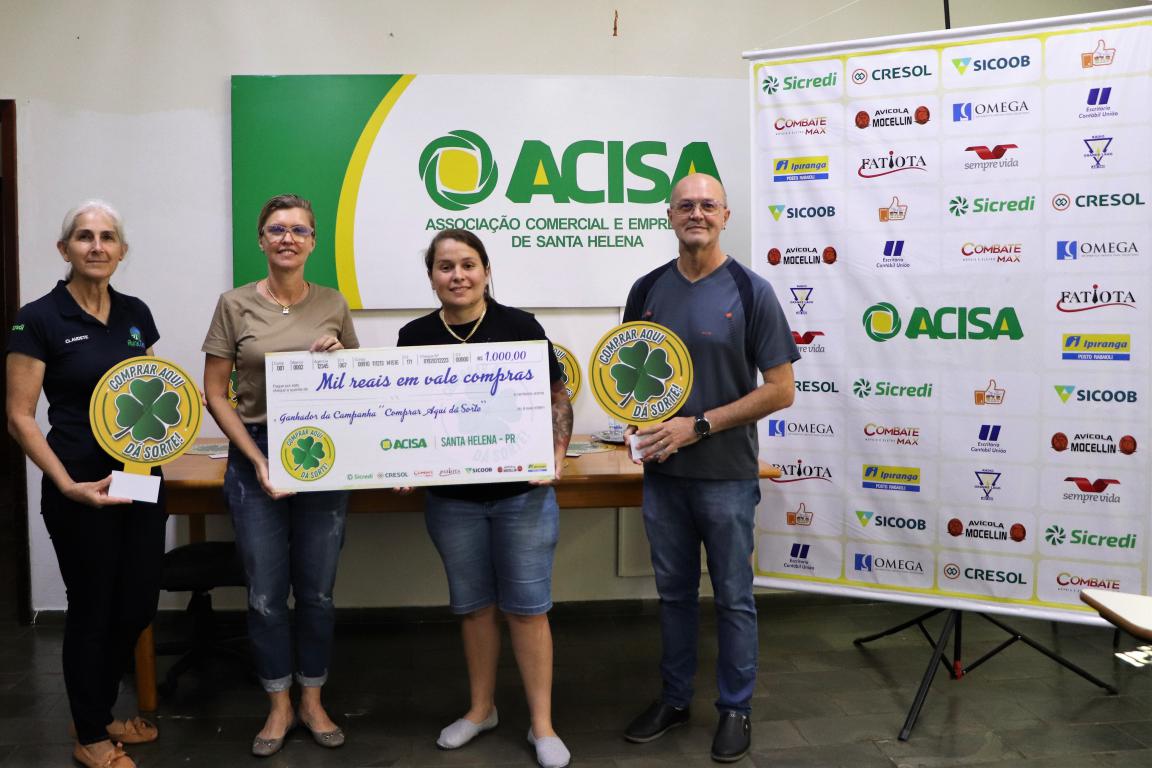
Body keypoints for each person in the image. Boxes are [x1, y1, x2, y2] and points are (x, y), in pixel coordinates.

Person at [620, 174, 799, 763]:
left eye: (707, 205)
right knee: (673, 596)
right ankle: (674, 701)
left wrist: (697, 426)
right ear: (669, 215)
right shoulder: (646, 289)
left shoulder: (752, 291)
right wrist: (636, 423)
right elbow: (630, 375)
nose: (695, 213)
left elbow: (780, 390)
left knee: (733, 598)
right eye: (685, 205)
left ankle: (735, 708)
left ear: (725, 215)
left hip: (727, 476)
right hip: (664, 477)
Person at [397, 229, 574, 768]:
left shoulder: (520, 327)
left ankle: (542, 725)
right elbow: (403, 412)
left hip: (522, 496)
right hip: (452, 500)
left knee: (527, 609)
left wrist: (556, 454)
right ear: (432, 277)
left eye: (468, 264)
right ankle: (481, 710)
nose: (458, 275)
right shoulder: (414, 336)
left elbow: (556, 396)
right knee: (473, 608)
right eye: (446, 266)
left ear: (487, 271)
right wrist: (400, 461)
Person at [6, 201, 165, 768]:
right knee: (93, 607)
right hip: (79, 484)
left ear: (121, 250)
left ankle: (93, 709)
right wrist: (65, 483)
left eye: (107, 237)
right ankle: (92, 733)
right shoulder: (38, 318)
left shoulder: (135, 312)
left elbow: (148, 386)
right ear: (64, 248)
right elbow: (19, 416)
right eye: (84, 236)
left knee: (138, 602)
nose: (97, 246)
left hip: (139, 478)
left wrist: (180, 407)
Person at [201, 194, 358, 757]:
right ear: (261, 240)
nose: (287, 238)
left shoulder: (333, 302)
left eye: (299, 230)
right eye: (276, 229)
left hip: (323, 454)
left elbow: (360, 386)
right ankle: (278, 704)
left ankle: (312, 699)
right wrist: (258, 459)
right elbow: (215, 393)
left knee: (316, 592)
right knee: (266, 595)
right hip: (257, 453)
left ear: (313, 241)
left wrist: (339, 357)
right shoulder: (234, 304)